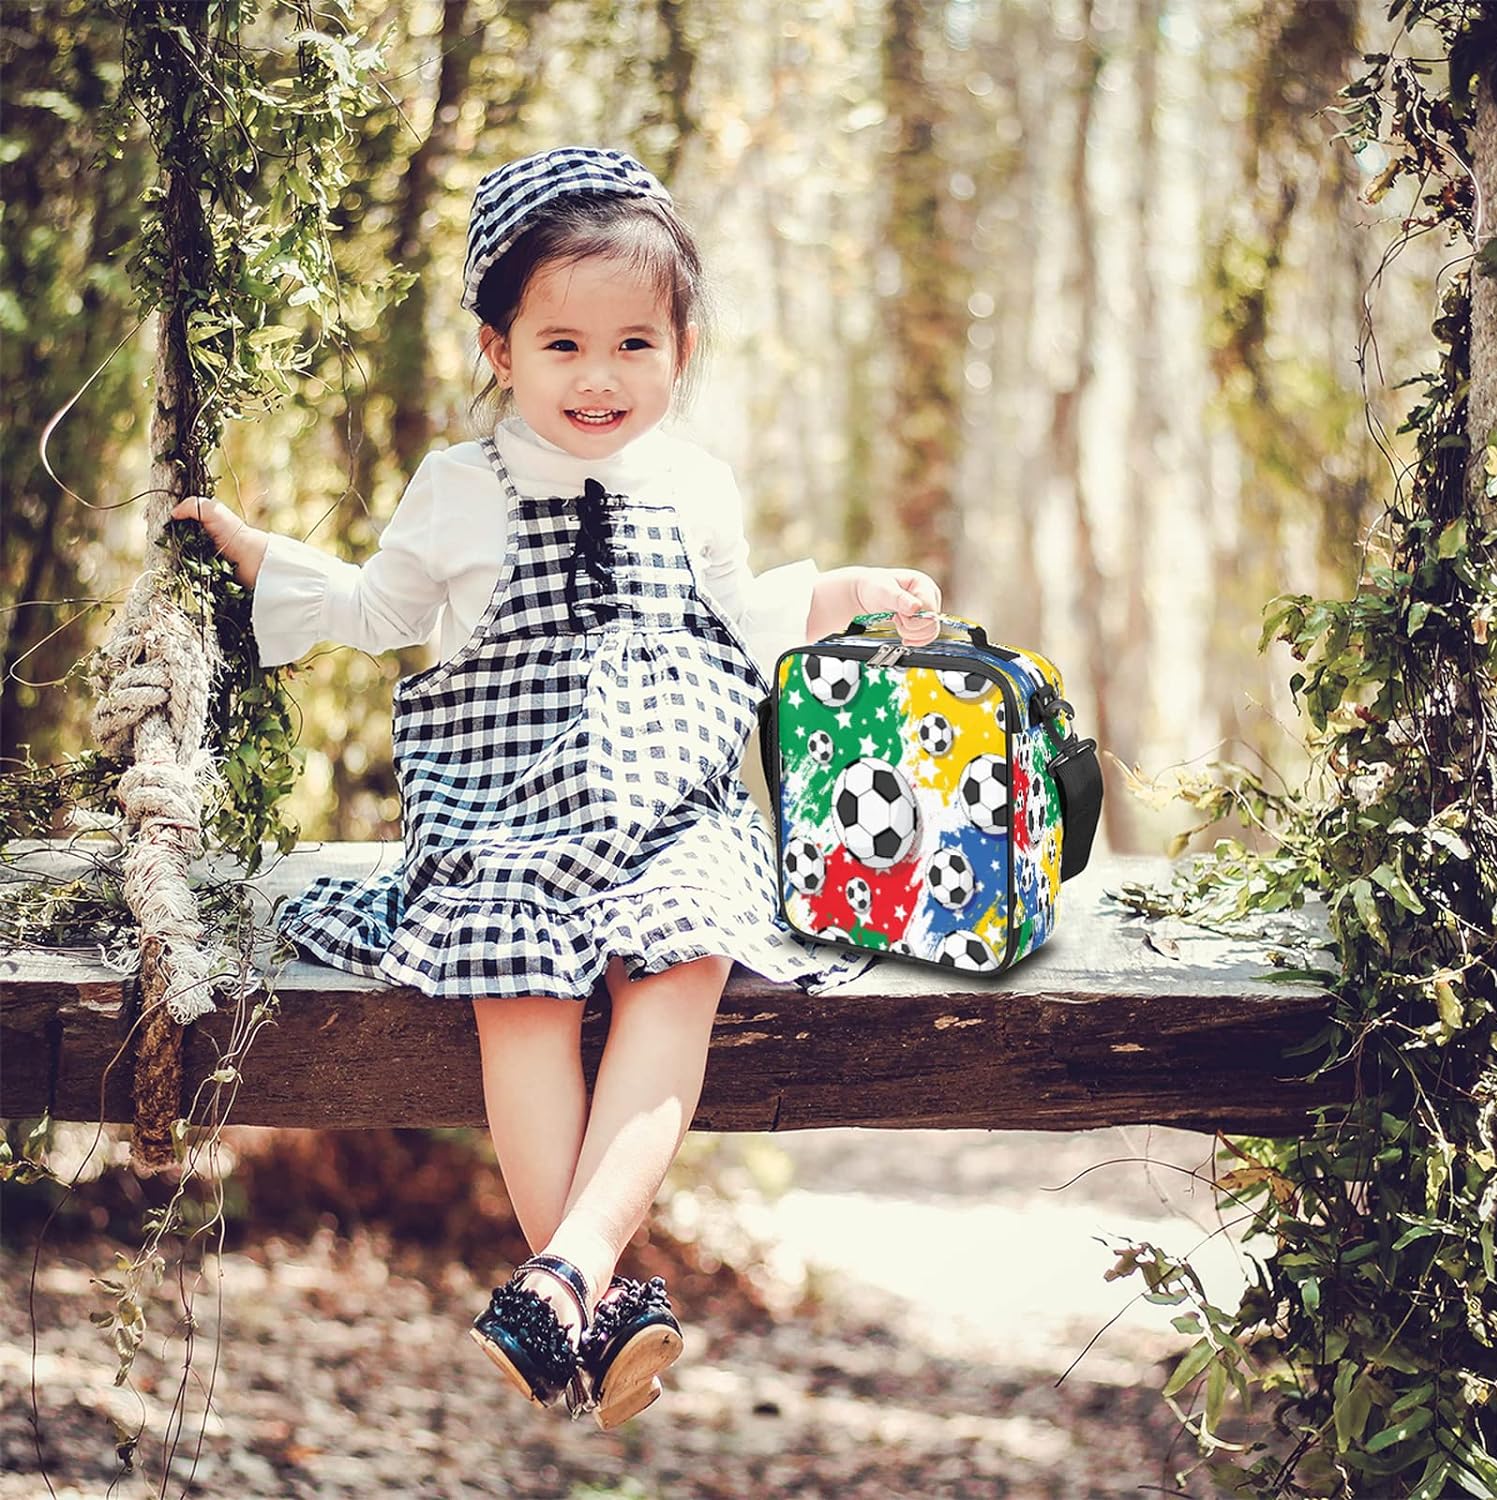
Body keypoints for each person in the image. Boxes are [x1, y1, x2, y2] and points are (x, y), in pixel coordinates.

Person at [173, 145, 943, 1428]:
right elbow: (376, 609)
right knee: (515, 988)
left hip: (672, 816)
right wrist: (261, 558)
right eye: (564, 344)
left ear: (681, 350)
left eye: (635, 344)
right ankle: (597, 1291)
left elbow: (740, 616)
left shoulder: (696, 483)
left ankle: (563, 1279)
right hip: (505, 821)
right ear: (500, 350)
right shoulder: (460, 490)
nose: (600, 377)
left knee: (684, 961)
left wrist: (846, 595)